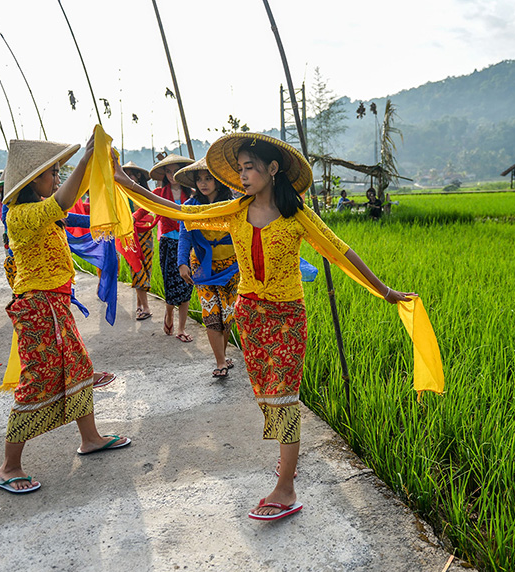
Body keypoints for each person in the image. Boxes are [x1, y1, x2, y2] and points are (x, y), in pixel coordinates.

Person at [114, 133, 414, 521]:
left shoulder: (297, 215)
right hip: (251, 318)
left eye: (250, 168)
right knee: (266, 396)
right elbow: (184, 215)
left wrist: (385, 291)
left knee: (285, 399)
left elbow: (340, 251)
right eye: (240, 169)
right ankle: (286, 460)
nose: (243, 175)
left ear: (272, 170)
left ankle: (286, 487)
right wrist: (125, 182)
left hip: (286, 318)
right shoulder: (234, 210)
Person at [0, 135, 130, 494]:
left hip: (54, 306)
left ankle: (91, 438)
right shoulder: (21, 216)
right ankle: (9, 466)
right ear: (33, 180)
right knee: (36, 381)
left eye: (56, 173)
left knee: (80, 367)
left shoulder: (37, 209)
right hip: (37, 309)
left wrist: (94, 160)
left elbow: (67, 195)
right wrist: (85, 160)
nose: (55, 178)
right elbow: (64, 199)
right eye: (52, 172)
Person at [175, 158, 239, 378]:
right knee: (211, 313)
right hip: (202, 267)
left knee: (228, 315)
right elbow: (184, 235)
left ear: (218, 181)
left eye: (208, 178)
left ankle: (223, 354)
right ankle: (220, 361)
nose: (203, 183)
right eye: (199, 179)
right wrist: (182, 263)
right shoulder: (191, 207)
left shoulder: (231, 205)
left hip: (230, 266)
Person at [149, 153, 195, 341]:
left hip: (188, 243)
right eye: (168, 171)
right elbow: (142, 209)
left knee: (186, 285)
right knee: (171, 283)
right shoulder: (159, 194)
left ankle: (181, 329)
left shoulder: (191, 196)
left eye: (175, 171)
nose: (171, 175)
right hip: (168, 242)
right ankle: (169, 312)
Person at [122, 162, 156, 321]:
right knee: (136, 267)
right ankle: (146, 307)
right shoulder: (121, 194)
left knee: (145, 267)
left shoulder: (143, 193)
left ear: (138, 177)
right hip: (128, 235)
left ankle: (140, 304)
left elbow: (147, 207)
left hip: (145, 233)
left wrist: (134, 217)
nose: (128, 177)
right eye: (125, 174)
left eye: (131, 174)